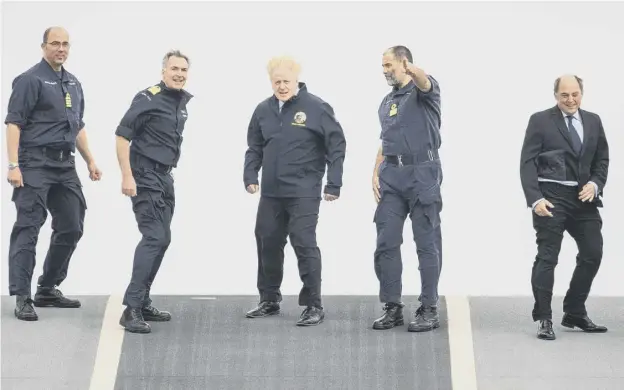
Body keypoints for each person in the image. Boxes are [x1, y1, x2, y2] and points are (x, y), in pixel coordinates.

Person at [4, 26, 102, 322]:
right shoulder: (29, 80)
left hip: (65, 165)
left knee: (72, 225)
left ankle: (47, 287)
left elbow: (77, 126)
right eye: (55, 43)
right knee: (29, 228)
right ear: (44, 46)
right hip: (34, 163)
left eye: (65, 44)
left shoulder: (72, 83)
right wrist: (13, 166)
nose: (61, 48)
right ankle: (23, 296)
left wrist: (90, 161)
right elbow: (13, 124)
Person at [243, 56, 346, 326]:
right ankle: (269, 299)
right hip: (271, 192)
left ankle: (313, 304)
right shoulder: (263, 110)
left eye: (286, 81)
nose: (282, 86)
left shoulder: (316, 107)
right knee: (267, 241)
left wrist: (333, 183)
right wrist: (250, 175)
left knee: (303, 242)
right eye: (276, 82)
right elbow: (254, 146)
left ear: (296, 80)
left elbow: (336, 145)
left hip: (304, 190)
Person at [519, 74, 609, 341]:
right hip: (551, 197)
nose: (570, 100)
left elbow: (602, 159)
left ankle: (574, 312)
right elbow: (527, 162)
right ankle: (544, 318)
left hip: (583, 198)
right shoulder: (540, 120)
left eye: (575, 94)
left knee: (593, 252)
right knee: (548, 256)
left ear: (582, 93)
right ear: (556, 95)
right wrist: (535, 199)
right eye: (564, 95)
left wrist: (595, 183)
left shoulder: (593, 121)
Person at [114, 50, 193, 334]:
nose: (179, 74)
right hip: (144, 176)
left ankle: (143, 300)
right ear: (163, 71)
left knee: (163, 238)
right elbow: (122, 135)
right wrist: (127, 176)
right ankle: (131, 309)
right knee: (155, 236)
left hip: (164, 178)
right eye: (174, 69)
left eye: (184, 70)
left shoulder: (180, 102)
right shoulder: (148, 98)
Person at [370, 46, 443, 333]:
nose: (385, 70)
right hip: (391, 176)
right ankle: (392, 306)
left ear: (404, 63)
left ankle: (429, 307)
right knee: (386, 242)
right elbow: (386, 138)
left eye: (389, 65)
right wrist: (374, 169)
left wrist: (414, 71)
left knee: (426, 243)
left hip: (422, 174)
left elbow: (425, 81)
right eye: (383, 66)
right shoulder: (387, 101)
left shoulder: (424, 91)